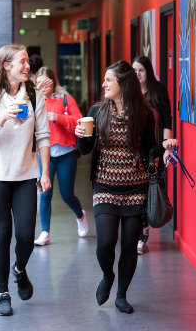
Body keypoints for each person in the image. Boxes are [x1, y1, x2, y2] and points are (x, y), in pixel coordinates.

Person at [75, 60, 166, 314]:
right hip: (105, 186)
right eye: (104, 80)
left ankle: (122, 295)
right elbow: (84, 150)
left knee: (128, 246)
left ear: (123, 84)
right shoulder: (97, 111)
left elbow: (149, 149)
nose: (103, 84)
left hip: (135, 189)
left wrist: (165, 148)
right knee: (105, 244)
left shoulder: (145, 114)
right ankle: (107, 275)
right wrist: (80, 137)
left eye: (108, 80)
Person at [0, 44, 52, 316]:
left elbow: (43, 135)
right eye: (21, 62)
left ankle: (19, 269)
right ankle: (3, 293)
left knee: (24, 235)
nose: (27, 66)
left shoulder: (33, 95)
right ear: (6, 65)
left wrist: (45, 172)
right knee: (3, 233)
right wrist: (2, 118)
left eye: (27, 62)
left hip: (25, 174)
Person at [33, 66, 88, 246]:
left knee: (66, 194)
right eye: (39, 81)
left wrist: (58, 117)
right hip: (44, 155)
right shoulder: (33, 101)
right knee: (45, 193)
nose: (44, 84)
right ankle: (45, 232)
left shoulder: (65, 99)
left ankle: (80, 215)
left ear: (53, 81)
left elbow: (79, 121)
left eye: (47, 80)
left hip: (66, 153)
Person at [132, 55, 178, 255]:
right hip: (134, 153)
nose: (137, 74)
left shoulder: (158, 91)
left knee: (148, 189)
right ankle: (138, 231)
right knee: (135, 191)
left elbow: (167, 120)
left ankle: (143, 235)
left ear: (147, 71)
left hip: (154, 154)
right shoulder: (130, 93)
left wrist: (167, 148)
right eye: (134, 71)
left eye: (140, 70)